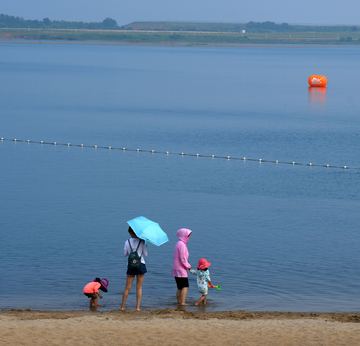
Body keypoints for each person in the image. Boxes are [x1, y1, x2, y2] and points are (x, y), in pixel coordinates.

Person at [121, 226, 148, 311]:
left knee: (127, 287)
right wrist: (145, 246)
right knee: (139, 287)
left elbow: (125, 254)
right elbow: (145, 254)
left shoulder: (127, 241)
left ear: (130, 233)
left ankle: (122, 307)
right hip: (141, 264)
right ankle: (137, 307)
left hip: (130, 265)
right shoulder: (143, 241)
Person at [172, 228, 192, 305]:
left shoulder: (178, 243)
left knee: (179, 287)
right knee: (185, 286)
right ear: (184, 236)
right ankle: (183, 302)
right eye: (188, 235)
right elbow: (183, 258)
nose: (189, 237)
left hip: (176, 267)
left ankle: (179, 302)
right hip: (181, 268)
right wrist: (188, 266)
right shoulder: (182, 245)